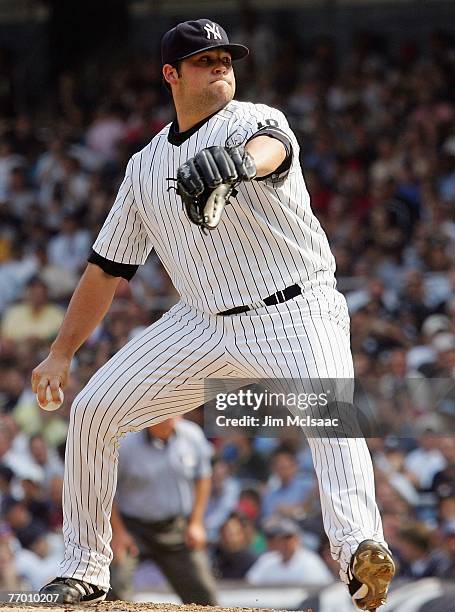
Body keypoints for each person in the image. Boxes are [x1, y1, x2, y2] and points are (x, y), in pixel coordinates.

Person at [33, 19, 395, 610]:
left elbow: (270, 150)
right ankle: (84, 567)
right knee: (94, 411)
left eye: (225, 56)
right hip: (202, 321)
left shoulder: (255, 121)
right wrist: (61, 352)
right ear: (171, 74)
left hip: (295, 307)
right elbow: (105, 271)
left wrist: (237, 166)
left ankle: (360, 550)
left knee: (330, 412)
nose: (220, 64)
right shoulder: (145, 168)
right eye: (204, 59)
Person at [109, 416, 217, 604]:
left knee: (204, 594)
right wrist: (118, 532)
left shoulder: (192, 435)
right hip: (132, 528)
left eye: (174, 409)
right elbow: (105, 491)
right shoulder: (125, 442)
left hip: (177, 527)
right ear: (149, 412)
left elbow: (203, 477)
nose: (169, 416)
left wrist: (196, 522)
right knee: (114, 586)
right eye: (163, 410)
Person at [246, 516, 333, 587]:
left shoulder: (310, 562)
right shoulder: (268, 560)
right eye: (281, 539)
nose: (285, 543)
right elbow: (250, 584)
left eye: (288, 538)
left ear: (297, 539)